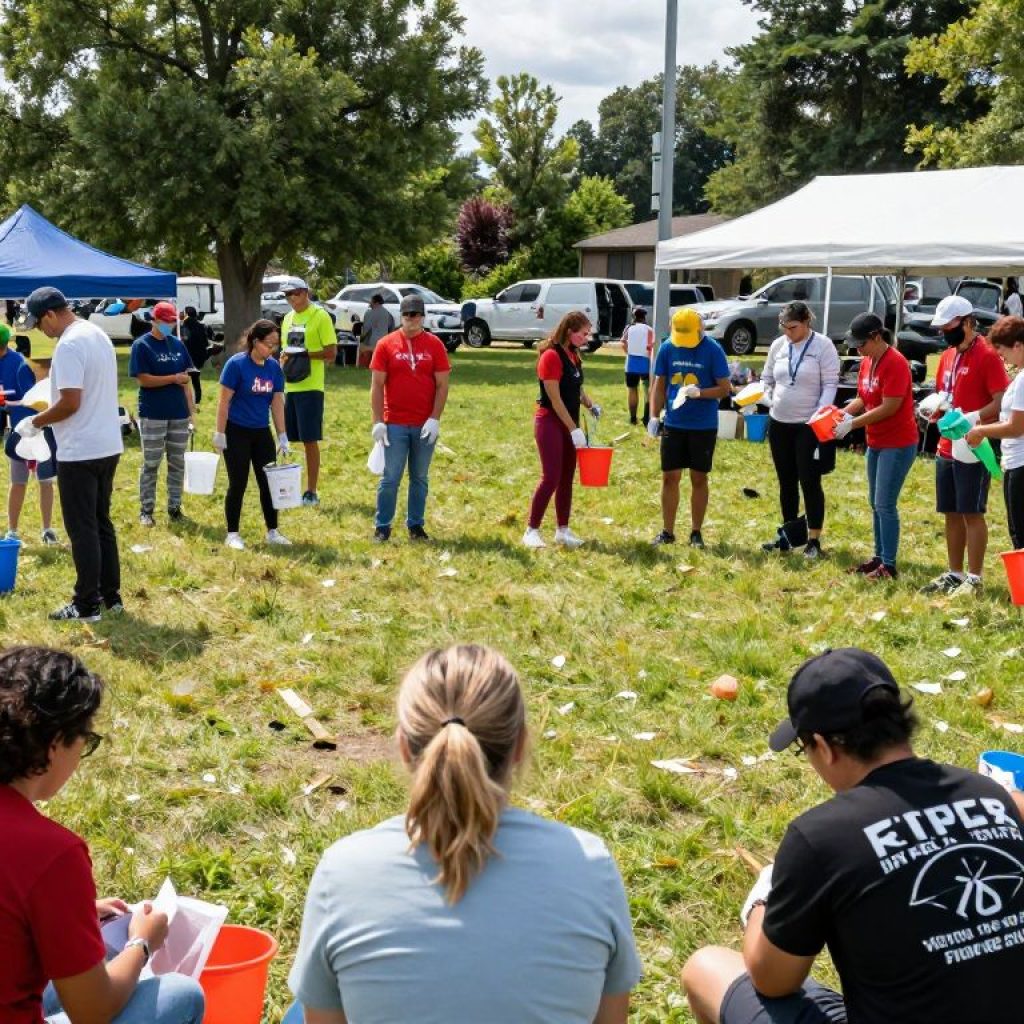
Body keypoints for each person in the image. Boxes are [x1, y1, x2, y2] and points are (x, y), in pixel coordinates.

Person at [286, 644, 642, 1024]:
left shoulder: (342, 871)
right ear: (520, 745)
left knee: (303, 1007)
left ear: (405, 747)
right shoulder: (589, 864)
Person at [681, 646, 1024, 1024]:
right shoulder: (993, 795)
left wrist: (764, 900)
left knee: (706, 968)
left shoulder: (820, 837)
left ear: (825, 747)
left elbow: (772, 980)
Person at [0, 644, 205, 1024]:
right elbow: (91, 1011)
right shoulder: (51, 854)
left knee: (98, 951)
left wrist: (68, 914)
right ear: (57, 741)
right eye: (86, 740)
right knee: (180, 995)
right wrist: (142, 943)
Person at [21, 287, 124, 622]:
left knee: (83, 529)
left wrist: (35, 422)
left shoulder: (68, 344)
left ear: (51, 314)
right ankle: (112, 597)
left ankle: (86, 604)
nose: (40, 331)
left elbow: (70, 402)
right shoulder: (98, 334)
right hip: (108, 444)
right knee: (101, 522)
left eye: (39, 324)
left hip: (80, 449)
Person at [919, 295, 1008, 596]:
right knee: (951, 511)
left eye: (950, 326)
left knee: (972, 512)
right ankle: (955, 573)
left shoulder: (988, 355)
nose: (945, 332)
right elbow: (943, 394)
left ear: (968, 322)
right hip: (947, 444)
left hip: (974, 443)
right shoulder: (947, 355)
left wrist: (974, 418)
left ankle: (975, 577)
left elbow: (1000, 401)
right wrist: (935, 409)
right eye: (942, 328)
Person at [832, 313, 919, 580]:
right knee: (875, 502)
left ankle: (889, 566)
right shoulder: (868, 361)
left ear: (877, 337)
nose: (858, 350)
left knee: (885, 503)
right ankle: (879, 557)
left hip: (898, 442)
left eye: (861, 344)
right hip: (877, 441)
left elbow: (889, 406)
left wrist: (853, 424)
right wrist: (843, 414)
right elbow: (863, 396)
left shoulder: (896, 363)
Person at [760, 302, 840, 559]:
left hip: (808, 425)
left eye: (793, 327)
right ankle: (789, 533)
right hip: (779, 422)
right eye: (783, 327)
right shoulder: (778, 346)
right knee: (786, 481)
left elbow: (830, 383)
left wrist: (820, 412)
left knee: (809, 480)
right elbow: (767, 377)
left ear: (806, 322)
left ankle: (814, 540)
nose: (788, 333)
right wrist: (767, 395)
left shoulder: (823, 346)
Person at [369, 294, 451, 543]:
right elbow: (376, 385)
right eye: (407, 315)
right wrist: (378, 421)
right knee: (390, 477)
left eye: (416, 314)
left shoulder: (435, 345)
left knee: (419, 477)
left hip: (424, 424)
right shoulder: (386, 344)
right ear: (401, 316)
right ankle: (382, 526)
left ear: (423, 316)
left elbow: (442, 385)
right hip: (394, 422)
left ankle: (416, 526)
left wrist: (435, 418)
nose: (411, 319)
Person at [647, 308, 731, 548]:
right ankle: (667, 531)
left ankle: (696, 532)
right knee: (669, 477)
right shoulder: (667, 347)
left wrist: (700, 393)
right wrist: (653, 416)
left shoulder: (713, 350)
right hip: (674, 423)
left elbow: (725, 388)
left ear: (700, 330)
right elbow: (659, 385)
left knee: (698, 477)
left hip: (703, 425)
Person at [523, 311, 601, 549]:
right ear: (570, 331)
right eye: (583, 334)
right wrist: (573, 429)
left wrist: (590, 404)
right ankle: (531, 530)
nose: (587, 338)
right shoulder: (550, 356)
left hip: (570, 423)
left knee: (567, 477)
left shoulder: (573, 355)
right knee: (551, 477)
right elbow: (555, 399)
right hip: (550, 423)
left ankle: (562, 530)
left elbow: (576, 387)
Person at [213, 319, 292, 550]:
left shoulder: (273, 368)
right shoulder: (236, 365)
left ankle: (273, 531)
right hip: (236, 431)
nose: (273, 349)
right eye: (269, 344)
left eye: (276, 345)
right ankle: (232, 533)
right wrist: (220, 433)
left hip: (260, 431)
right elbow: (223, 402)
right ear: (255, 341)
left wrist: (282, 435)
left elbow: (277, 402)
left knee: (268, 482)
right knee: (237, 483)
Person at [128, 302, 196, 527]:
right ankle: (146, 510)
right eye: (166, 322)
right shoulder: (142, 346)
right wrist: (172, 379)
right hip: (153, 413)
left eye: (172, 322)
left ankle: (175, 507)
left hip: (178, 413)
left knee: (177, 462)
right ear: (154, 321)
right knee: (151, 463)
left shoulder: (177, 344)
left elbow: (186, 378)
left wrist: (191, 413)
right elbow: (143, 379)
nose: (170, 325)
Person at [965, 315, 1024, 550]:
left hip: (1021, 462)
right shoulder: (1019, 377)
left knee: (1020, 534)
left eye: (1003, 350)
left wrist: (980, 430)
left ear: (1018, 345)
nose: (1002, 357)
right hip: (1014, 461)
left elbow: (1016, 427)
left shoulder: (1023, 380)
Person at [279, 277, 336, 507]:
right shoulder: (287, 319)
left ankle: (311, 490)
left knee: (309, 439)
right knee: (287, 439)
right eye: (287, 295)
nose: (291, 298)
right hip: (289, 386)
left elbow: (331, 353)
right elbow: (285, 350)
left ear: (305, 292)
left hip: (311, 387)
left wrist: (304, 354)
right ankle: (286, 486)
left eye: (295, 293)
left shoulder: (319, 316)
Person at [1, 324, 59, 545]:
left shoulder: (19, 365)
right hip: (16, 431)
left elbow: (33, 402)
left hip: (37, 430)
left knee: (45, 480)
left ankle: (47, 529)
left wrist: (9, 402)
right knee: (17, 482)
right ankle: (12, 531)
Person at [620, 306, 653, 426]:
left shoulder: (629, 328)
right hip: (646, 362)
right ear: (644, 317)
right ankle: (647, 417)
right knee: (647, 389)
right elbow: (652, 346)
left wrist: (629, 352)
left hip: (631, 362)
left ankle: (633, 418)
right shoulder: (649, 329)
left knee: (632, 390)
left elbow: (623, 342)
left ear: (633, 316)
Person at [178, 306, 210, 406]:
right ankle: (197, 401)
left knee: (183, 381)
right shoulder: (201, 326)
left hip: (185, 358)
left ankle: (184, 401)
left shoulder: (182, 326)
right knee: (196, 381)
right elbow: (205, 343)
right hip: (197, 358)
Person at [359, 293, 393, 368]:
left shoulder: (370, 313)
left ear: (376, 302)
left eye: (371, 301)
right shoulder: (387, 313)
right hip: (385, 341)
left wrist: (360, 339)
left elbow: (366, 329)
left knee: (361, 347)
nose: (369, 303)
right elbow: (390, 327)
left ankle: (363, 367)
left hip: (373, 342)